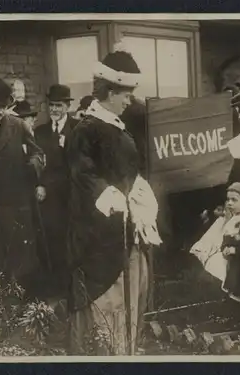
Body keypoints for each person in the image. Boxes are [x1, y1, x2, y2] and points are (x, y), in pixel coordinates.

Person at [66, 43, 161, 355]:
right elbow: (83, 174)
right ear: (108, 92)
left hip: (124, 230)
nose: (128, 100)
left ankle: (125, 353)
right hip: (99, 235)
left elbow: (130, 172)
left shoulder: (119, 129)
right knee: (109, 300)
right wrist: (111, 196)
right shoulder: (87, 129)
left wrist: (138, 194)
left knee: (131, 296)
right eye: (124, 94)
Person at [0, 77, 45, 295]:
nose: (0, 112)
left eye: (4, 107)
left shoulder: (18, 126)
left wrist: (31, 167)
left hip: (15, 203)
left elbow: (38, 153)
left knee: (19, 259)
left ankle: (20, 304)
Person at [33, 84, 79, 297]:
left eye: (59, 105)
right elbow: (36, 163)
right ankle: (56, 292)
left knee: (70, 245)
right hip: (49, 201)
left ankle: (72, 290)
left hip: (70, 199)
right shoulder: (39, 132)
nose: (55, 110)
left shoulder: (77, 129)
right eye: (52, 105)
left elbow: (77, 166)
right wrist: (39, 183)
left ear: (68, 106)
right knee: (52, 244)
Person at [190, 182, 240, 287]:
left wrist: (232, 248)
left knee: (218, 266)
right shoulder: (233, 217)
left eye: (234, 200)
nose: (229, 203)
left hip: (238, 254)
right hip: (228, 250)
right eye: (228, 200)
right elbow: (225, 235)